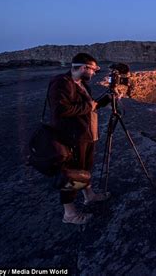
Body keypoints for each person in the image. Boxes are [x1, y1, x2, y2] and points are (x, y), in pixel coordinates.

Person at [48, 53, 111, 224]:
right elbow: (60, 110)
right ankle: (69, 214)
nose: (94, 73)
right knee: (73, 174)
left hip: (86, 135)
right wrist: (88, 106)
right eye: (93, 70)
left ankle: (89, 196)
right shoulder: (61, 83)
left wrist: (106, 100)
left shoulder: (81, 83)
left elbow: (90, 107)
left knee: (85, 168)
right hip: (72, 137)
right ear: (84, 68)